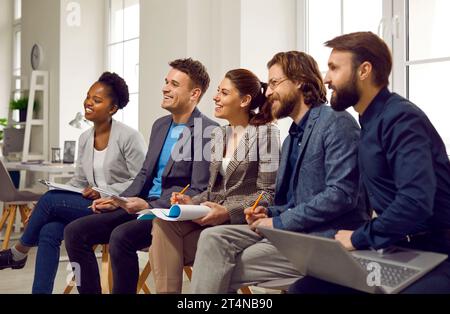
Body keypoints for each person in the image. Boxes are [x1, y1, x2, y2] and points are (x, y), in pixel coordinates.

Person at [190, 51, 370, 293]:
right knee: (213, 239)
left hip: (323, 238)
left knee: (218, 264)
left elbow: (341, 195)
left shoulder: (336, 122)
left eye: (274, 83)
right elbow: (294, 201)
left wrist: (278, 220)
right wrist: (269, 211)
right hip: (293, 232)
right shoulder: (290, 139)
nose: (267, 92)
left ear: (299, 81)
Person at [289, 32, 450, 294]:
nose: (326, 79)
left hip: (434, 251)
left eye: (334, 68)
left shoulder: (401, 119)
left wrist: (358, 237)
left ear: (364, 70)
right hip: (395, 246)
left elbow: (415, 202)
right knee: (305, 288)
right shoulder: (369, 121)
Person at [63, 58, 219, 294]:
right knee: (74, 232)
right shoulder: (160, 125)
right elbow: (144, 174)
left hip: (167, 215)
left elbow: (197, 189)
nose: (165, 88)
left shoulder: (207, 131)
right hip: (139, 207)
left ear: (194, 93)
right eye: (166, 82)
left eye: (174, 84)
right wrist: (118, 200)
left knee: (121, 236)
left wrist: (150, 204)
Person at [0, 72, 147, 294]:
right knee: (49, 229)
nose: (88, 102)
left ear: (113, 108)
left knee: (48, 202)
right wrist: (44, 207)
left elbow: (140, 181)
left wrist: (102, 192)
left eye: (97, 100)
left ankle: (18, 252)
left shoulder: (129, 137)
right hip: (94, 208)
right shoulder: (85, 138)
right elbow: (79, 179)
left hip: (120, 209)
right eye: (88, 97)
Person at [149, 68, 280, 293]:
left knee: (171, 249)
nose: (215, 97)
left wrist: (228, 212)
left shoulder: (266, 134)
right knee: (162, 224)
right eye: (217, 91)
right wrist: (191, 201)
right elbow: (213, 190)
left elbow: (268, 193)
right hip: (212, 217)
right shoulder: (219, 134)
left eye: (224, 93)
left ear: (245, 100)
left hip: (241, 221)